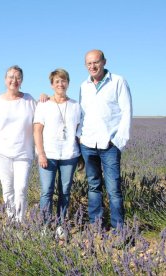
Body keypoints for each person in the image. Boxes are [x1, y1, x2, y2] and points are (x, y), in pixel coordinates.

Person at [78, 49, 132, 230]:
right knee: (93, 187)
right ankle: (96, 226)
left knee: (113, 189)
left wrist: (118, 141)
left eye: (96, 62)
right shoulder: (83, 86)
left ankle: (119, 230)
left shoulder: (118, 81)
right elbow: (81, 114)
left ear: (104, 62)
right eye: (89, 63)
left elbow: (127, 111)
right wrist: (80, 138)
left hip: (109, 145)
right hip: (88, 144)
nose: (92, 66)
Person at [0, 65, 36, 222]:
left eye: (18, 77)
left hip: (23, 152)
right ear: (5, 80)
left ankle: (20, 219)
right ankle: (12, 219)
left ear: (22, 80)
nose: (14, 80)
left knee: (21, 187)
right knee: (7, 187)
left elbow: (41, 117)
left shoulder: (29, 100)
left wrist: (47, 97)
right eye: (11, 77)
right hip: (1, 152)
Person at [33, 69, 81, 237]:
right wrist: (41, 154)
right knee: (46, 191)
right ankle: (44, 225)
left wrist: (80, 154)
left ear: (68, 83)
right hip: (49, 155)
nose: (61, 84)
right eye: (57, 82)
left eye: (63, 81)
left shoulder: (75, 105)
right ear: (52, 85)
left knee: (65, 191)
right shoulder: (44, 104)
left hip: (69, 155)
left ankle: (61, 225)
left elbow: (79, 131)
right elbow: (37, 130)